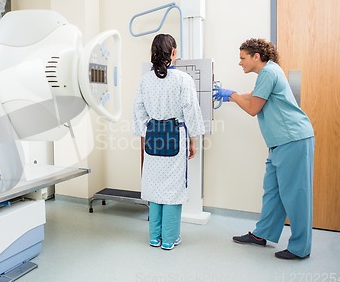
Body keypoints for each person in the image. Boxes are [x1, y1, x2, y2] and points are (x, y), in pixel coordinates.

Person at [214, 38, 315, 260]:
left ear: (256, 56)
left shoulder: (269, 73)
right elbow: (254, 96)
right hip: (279, 143)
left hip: (293, 139)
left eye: (243, 58)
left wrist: (232, 96)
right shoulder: (267, 73)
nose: (240, 63)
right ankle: (262, 234)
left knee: (297, 195)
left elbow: (252, 108)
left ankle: (301, 248)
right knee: (273, 191)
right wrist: (231, 95)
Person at [132, 34, 205, 250]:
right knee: (173, 189)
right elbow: (190, 111)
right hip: (176, 135)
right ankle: (170, 238)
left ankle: (155, 237)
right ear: (173, 52)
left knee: (153, 187)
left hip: (153, 136)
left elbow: (138, 110)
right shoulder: (183, 80)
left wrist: (147, 132)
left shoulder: (145, 80)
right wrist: (193, 140)